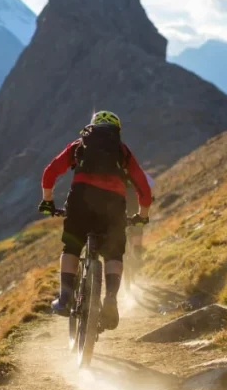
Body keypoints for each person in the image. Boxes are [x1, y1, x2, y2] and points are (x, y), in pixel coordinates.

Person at [38, 111, 152, 331]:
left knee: (71, 246)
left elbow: (50, 172)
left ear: (92, 126)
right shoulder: (122, 150)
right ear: (117, 130)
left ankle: (65, 297)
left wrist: (47, 201)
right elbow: (143, 188)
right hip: (113, 205)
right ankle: (110, 298)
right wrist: (142, 215)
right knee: (113, 253)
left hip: (81, 199)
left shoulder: (79, 145)